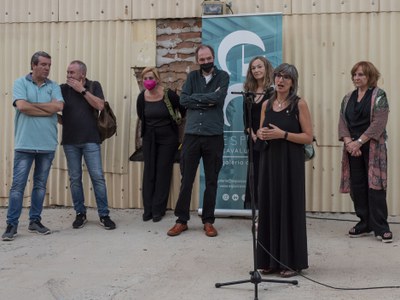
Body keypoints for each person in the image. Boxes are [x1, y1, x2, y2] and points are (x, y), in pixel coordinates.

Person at [256, 63, 312, 277]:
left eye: (285, 78)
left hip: (290, 164)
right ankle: (270, 260)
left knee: (289, 209)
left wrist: (284, 135)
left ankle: (292, 263)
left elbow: (308, 137)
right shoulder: (266, 104)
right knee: (269, 207)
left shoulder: (299, 104)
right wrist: (261, 134)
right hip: (269, 162)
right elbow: (262, 130)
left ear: (292, 82)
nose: (280, 81)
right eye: (278, 76)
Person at [167, 44, 230, 237]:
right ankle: (181, 220)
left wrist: (200, 98)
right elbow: (184, 101)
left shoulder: (223, 77)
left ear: (213, 57)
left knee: (212, 180)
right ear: (197, 61)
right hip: (192, 135)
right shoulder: (192, 77)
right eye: (201, 59)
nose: (205, 62)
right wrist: (207, 99)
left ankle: (208, 221)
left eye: (208, 58)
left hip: (213, 136)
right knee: (187, 179)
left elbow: (218, 98)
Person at [2, 51, 64, 241]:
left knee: (39, 186)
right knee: (18, 186)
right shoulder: (20, 83)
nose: (47, 68)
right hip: (25, 143)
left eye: (49, 65)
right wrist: (47, 108)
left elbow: (59, 107)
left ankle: (34, 221)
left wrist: (33, 106)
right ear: (33, 65)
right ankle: (12, 225)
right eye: (43, 65)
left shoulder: (53, 86)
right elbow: (21, 106)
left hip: (47, 144)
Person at [338, 61, 392, 243]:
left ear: (370, 76)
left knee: (375, 187)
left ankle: (381, 227)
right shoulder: (348, 97)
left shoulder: (379, 95)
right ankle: (364, 222)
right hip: (353, 148)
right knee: (358, 186)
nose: (356, 78)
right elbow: (342, 122)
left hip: (372, 146)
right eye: (354, 74)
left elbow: (379, 122)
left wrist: (359, 142)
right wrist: (349, 143)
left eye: (361, 74)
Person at [60, 60, 116, 230]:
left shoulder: (93, 85)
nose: (68, 75)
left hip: (91, 139)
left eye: (72, 72)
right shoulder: (62, 89)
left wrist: (82, 90)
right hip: (70, 141)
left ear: (82, 74)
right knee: (75, 179)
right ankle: (80, 213)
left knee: (97, 177)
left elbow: (100, 105)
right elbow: (55, 107)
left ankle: (104, 215)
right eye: (68, 72)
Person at [136, 67, 184, 222]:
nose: (147, 81)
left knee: (163, 171)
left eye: (150, 78)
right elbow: (141, 115)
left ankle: (158, 210)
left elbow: (182, 108)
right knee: (149, 171)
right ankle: (148, 209)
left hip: (168, 138)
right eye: (145, 78)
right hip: (149, 137)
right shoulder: (142, 97)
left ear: (157, 79)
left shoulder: (168, 94)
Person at [243, 56, 274, 209]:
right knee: (254, 175)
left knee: (267, 176)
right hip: (253, 141)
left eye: (259, 66)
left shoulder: (273, 92)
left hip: (269, 140)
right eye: (253, 68)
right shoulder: (248, 93)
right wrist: (254, 136)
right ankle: (256, 211)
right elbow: (246, 120)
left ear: (266, 68)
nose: (256, 70)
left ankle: (268, 210)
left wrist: (262, 135)